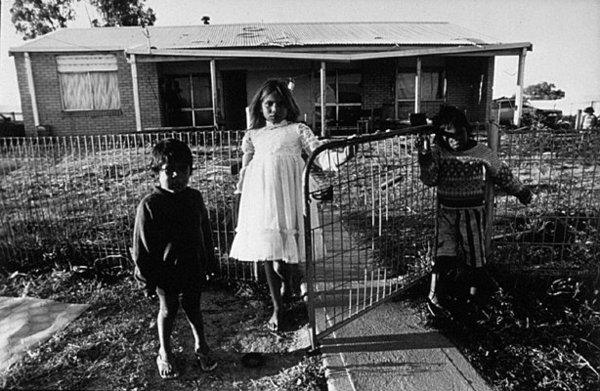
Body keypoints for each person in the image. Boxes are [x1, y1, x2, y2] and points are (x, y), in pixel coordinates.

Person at [229, 78, 352, 332]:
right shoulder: (253, 135)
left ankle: (292, 281)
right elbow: (245, 170)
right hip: (263, 199)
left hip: (291, 195)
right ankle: (278, 307)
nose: (275, 109)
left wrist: (343, 156)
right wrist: (240, 195)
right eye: (269, 104)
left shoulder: (298, 130)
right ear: (260, 107)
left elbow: (319, 155)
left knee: (288, 257)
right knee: (269, 251)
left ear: (289, 106)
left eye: (280, 104)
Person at [416, 106, 532, 317]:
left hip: (472, 214)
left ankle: (475, 300)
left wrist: (521, 191)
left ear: (467, 130)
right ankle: (438, 298)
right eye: (447, 135)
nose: (455, 139)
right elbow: (430, 180)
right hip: (446, 214)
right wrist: (424, 156)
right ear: (440, 136)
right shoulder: (439, 152)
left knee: (476, 258)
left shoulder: (481, 152)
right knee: (443, 257)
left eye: (459, 132)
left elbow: (502, 173)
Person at [132, 138, 218, 379]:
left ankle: (201, 345)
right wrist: (146, 280)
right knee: (168, 311)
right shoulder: (150, 205)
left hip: (192, 268)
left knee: (193, 307)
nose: (177, 176)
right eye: (169, 170)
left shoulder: (195, 198)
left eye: (183, 170)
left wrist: (210, 262)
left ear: (190, 171)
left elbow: (206, 233)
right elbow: (141, 248)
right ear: (156, 173)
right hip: (165, 273)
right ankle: (165, 352)